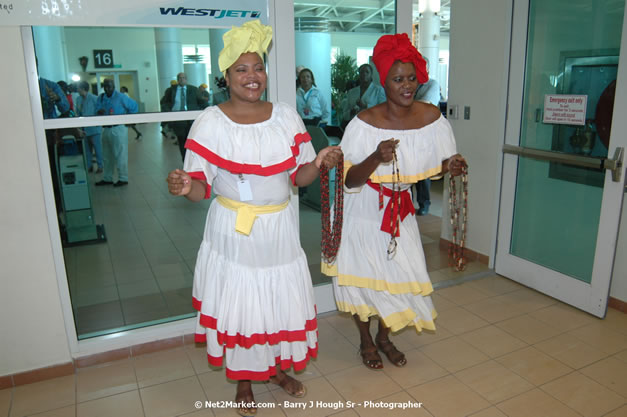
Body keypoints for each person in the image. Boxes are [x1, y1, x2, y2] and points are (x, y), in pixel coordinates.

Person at [166, 20, 342, 416]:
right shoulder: (211, 123)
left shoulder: (285, 117)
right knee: (243, 302)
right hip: (235, 231)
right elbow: (200, 188)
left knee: (277, 301)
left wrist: (319, 161)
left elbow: (298, 177)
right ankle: (245, 379)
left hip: (279, 229)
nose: (252, 77)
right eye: (241, 69)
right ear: (225, 76)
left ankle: (276, 370)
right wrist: (183, 186)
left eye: (258, 67)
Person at [323, 33, 466, 370]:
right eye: (397, 79)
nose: (406, 86)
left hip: (400, 211)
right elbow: (349, 179)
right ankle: (366, 341)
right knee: (362, 278)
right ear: (383, 82)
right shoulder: (364, 124)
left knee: (399, 275)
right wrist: (375, 157)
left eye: (411, 78)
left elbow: (439, 165)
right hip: (361, 211)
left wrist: (453, 166)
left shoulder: (432, 119)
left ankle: (385, 337)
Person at [95, 79, 138, 187]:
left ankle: (123, 178)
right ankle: (107, 178)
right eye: (105, 86)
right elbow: (96, 110)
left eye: (109, 86)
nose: (107, 89)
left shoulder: (121, 97)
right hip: (106, 129)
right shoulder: (101, 98)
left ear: (114, 86)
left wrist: (130, 121)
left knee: (120, 154)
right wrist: (99, 112)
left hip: (118, 129)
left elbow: (134, 107)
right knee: (106, 155)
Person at [413, 57, 442, 215]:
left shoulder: (432, 84)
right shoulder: (410, 85)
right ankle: (407, 204)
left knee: (423, 172)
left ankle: (424, 204)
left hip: (425, 135)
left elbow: (425, 105)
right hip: (409, 134)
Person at [160, 72, 203, 160]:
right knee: (182, 140)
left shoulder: (193, 89)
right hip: (178, 120)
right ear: (177, 80)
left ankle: (193, 161)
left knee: (192, 141)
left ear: (186, 79)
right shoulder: (171, 90)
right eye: (180, 78)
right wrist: (169, 113)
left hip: (191, 120)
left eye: (183, 78)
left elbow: (202, 102)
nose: (182, 79)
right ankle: (185, 161)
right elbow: (164, 103)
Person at [341, 63, 386, 127]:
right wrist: (351, 112)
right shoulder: (352, 92)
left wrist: (366, 106)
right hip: (355, 127)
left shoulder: (378, 90)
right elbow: (345, 115)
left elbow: (383, 110)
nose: (364, 74)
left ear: (371, 75)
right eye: (361, 72)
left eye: (367, 72)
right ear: (359, 75)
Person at [76, 81, 103, 173]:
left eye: (78, 88)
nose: (77, 89)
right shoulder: (78, 99)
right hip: (84, 128)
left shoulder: (94, 98)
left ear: (83, 89)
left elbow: (99, 112)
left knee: (98, 149)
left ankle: (100, 166)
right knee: (87, 150)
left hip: (94, 128)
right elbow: (78, 112)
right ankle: (89, 166)